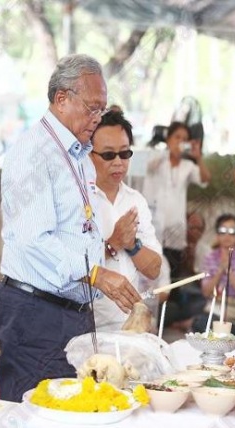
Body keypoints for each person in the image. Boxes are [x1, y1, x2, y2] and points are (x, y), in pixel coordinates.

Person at [0, 54, 141, 402]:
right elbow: (32, 239)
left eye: (101, 109)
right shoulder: (34, 154)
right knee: (32, 420)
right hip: (35, 313)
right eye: (92, 108)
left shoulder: (76, 155)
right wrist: (96, 274)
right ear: (62, 99)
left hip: (69, 311)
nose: (98, 118)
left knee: (72, 416)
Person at [89, 110, 162, 332]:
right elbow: (67, 265)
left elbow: (154, 269)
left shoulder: (135, 201)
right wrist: (113, 243)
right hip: (87, 324)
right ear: (88, 154)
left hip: (128, 325)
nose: (119, 163)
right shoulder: (79, 199)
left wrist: (132, 245)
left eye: (125, 154)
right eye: (109, 155)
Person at [142, 122, 211, 279]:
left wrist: (198, 157)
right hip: (154, 230)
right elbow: (148, 167)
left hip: (176, 234)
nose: (180, 142)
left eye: (184, 139)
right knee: (150, 276)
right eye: (177, 137)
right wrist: (168, 153)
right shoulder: (158, 160)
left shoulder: (187, 166)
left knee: (172, 280)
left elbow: (205, 180)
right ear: (168, 139)